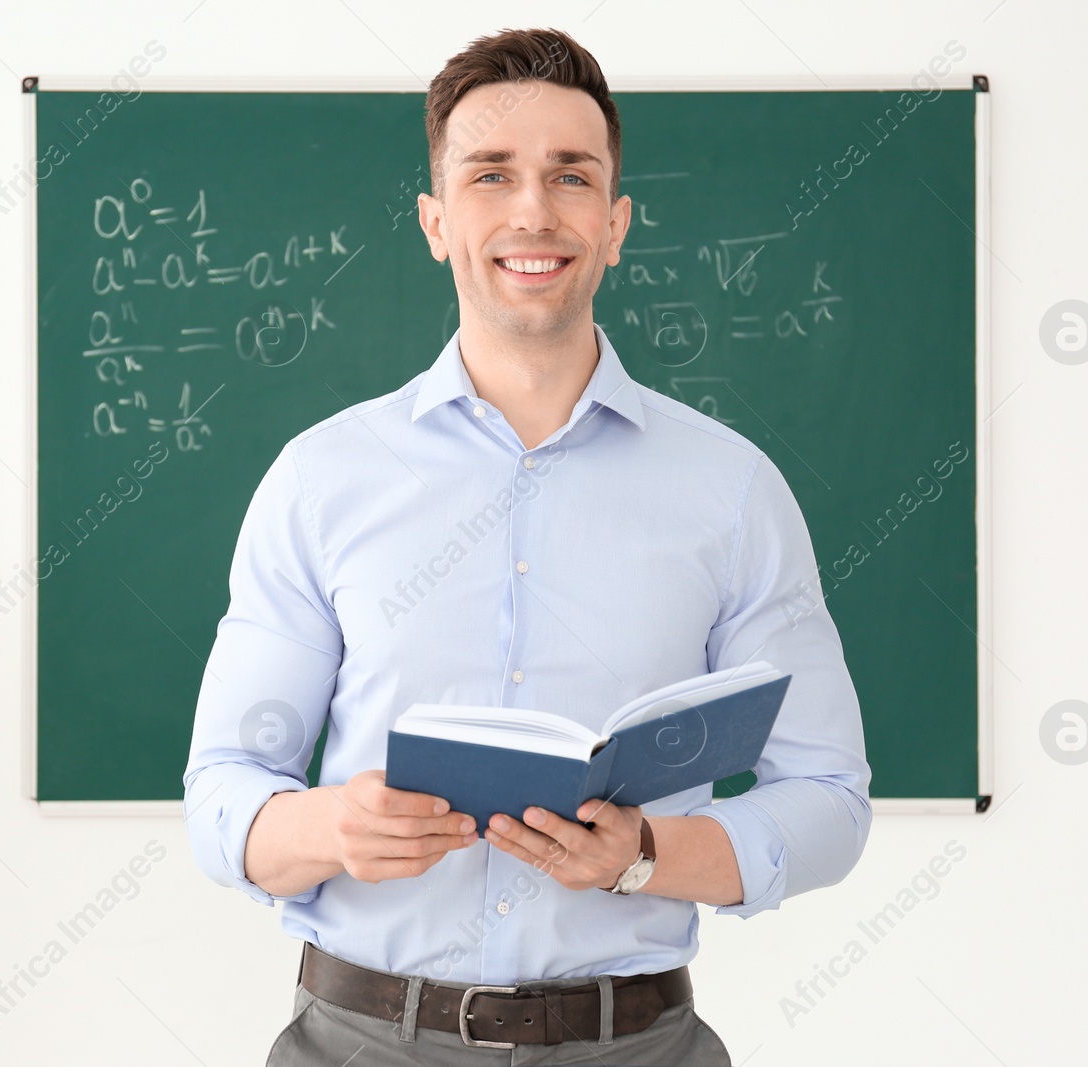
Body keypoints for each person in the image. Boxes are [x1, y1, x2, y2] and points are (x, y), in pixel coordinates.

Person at [183, 26, 872, 1066]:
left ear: (615, 223)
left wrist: (642, 854)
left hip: (635, 1045)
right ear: (434, 220)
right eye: (490, 175)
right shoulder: (321, 478)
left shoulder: (730, 489)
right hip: (362, 1042)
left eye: (571, 177)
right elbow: (223, 786)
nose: (531, 213)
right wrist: (334, 827)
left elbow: (828, 800)